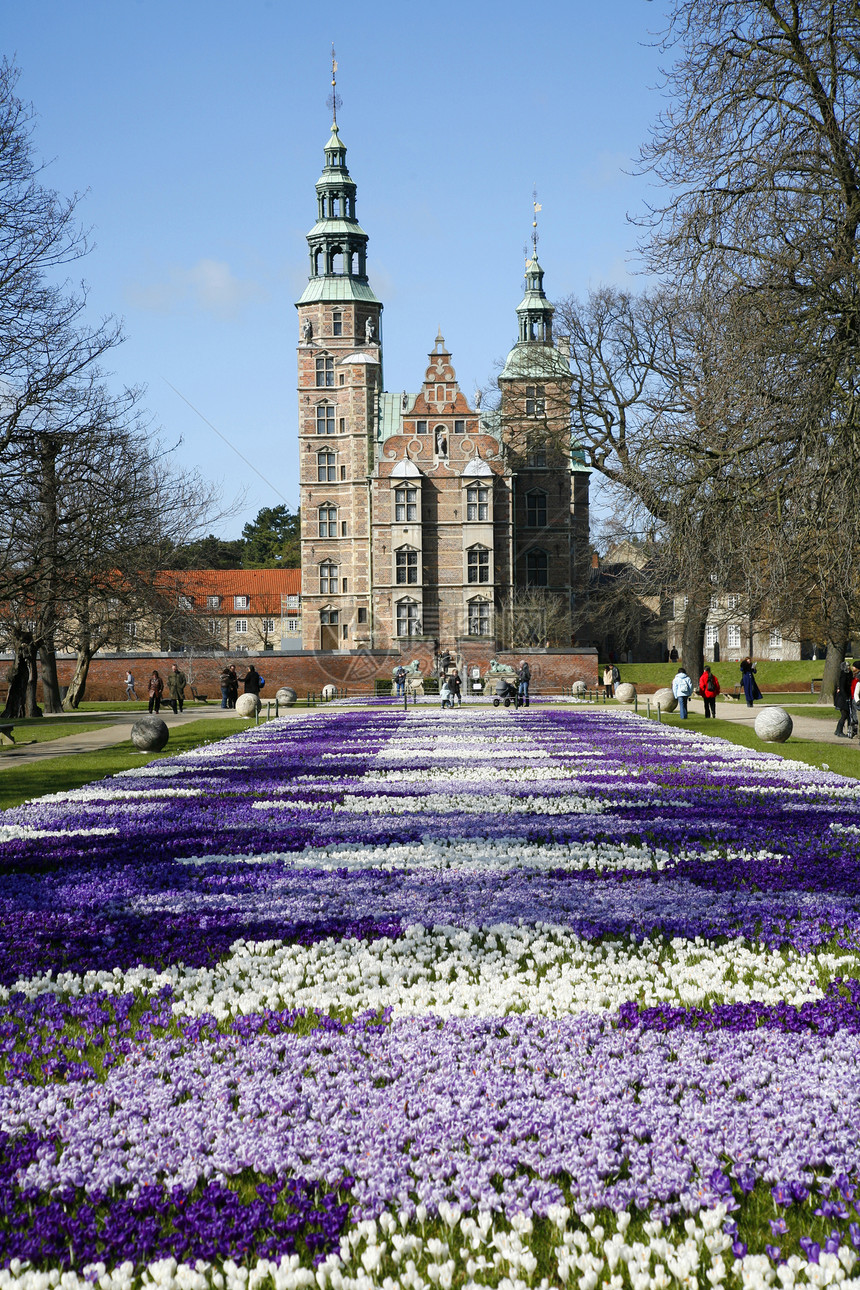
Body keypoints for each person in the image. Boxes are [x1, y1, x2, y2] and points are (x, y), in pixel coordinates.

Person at [834, 661, 853, 737]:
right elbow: (842, 688)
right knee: (844, 715)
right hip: (842, 698)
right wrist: (846, 698)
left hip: (847, 697)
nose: (849, 667)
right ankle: (839, 731)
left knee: (848, 715)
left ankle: (848, 731)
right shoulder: (843, 675)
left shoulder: (849, 674)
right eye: (848, 666)